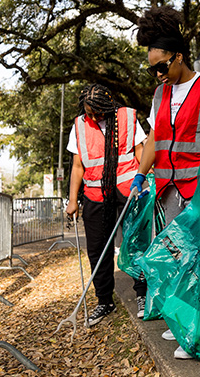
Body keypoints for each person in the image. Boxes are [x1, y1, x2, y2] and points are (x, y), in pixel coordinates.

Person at [129, 6, 200, 359]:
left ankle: (199, 332)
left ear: (178, 57)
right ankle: (181, 319)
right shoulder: (160, 95)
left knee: (198, 258)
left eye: (161, 66)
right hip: (167, 188)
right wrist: (139, 174)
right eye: (152, 69)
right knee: (176, 258)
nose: (158, 74)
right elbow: (154, 140)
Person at [65, 84, 147, 326]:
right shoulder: (80, 125)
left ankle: (143, 294)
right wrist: (72, 200)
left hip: (129, 189)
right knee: (97, 250)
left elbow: (141, 152)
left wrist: (147, 181)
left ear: (109, 107)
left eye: (98, 113)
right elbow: (78, 166)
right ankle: (104, 300)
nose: (93, 117)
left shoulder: (128, 117)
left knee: (136, 243)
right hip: (94, 194)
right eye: (89, 112)